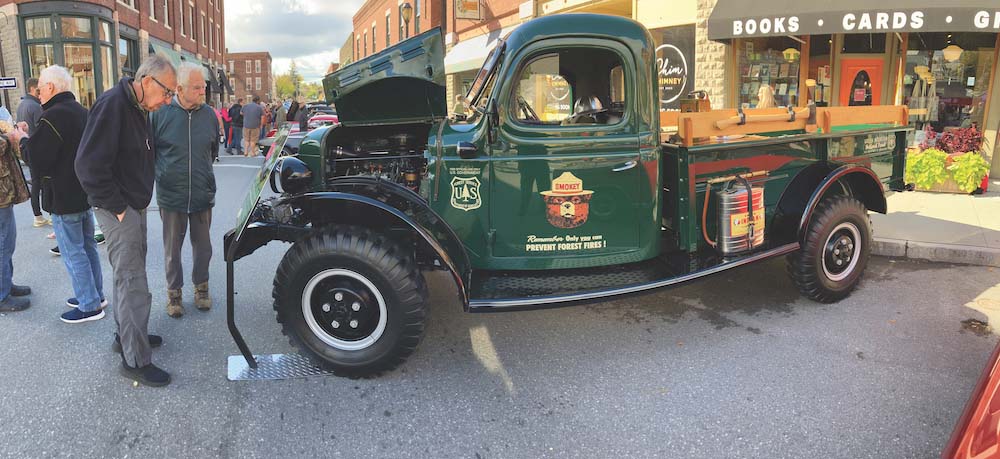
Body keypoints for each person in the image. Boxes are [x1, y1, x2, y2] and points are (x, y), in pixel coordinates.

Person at [76, 53, 177, 387]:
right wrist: (119, 208)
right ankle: (135, 360)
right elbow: (87, 166)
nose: (168, 100)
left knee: (128, 278)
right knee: (133, 282)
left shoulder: (138, 107)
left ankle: (128, 337)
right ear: (147, 81)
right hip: (119, 209)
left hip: (132, 205)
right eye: (167, 92)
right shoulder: (113, 105)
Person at [19, 65, 106, 323]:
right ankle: (95, 295)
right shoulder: (82, 111)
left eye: (40, 88)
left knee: (73, 251)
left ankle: (89, 304)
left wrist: (21, 139)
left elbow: (36, 159)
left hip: (63, 195)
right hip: (83, 191)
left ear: (51, 87)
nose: (39, 93)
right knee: (88, 247)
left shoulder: (52, 117)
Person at [151, 62, 219, 318]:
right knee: (172, 250)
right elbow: (151, 153)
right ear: (179, 89)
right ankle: (174, 294)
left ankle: (202, 289)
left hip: (202, 193)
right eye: (197, 87)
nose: (203, 91)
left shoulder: (209, 115)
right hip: (171, 195)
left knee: (203, 248)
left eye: (203, 87)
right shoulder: (160, 113)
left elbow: (212, 151)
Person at [0, 114, 32, 312]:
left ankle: (6, 284)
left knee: (7, 242)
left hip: (4, 193)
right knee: (4, 243)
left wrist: (12, 130)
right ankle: (2, 295)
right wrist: (9, 135)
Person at [15, 78, 49, 228]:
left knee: (36, 182)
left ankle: (38, 215)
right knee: (43, 182)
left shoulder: (21, 105)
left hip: (25, 148)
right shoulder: (36, 106)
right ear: (34, 89)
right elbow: (42, 130)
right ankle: (44, 214)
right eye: (39, 90)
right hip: (37, 150)